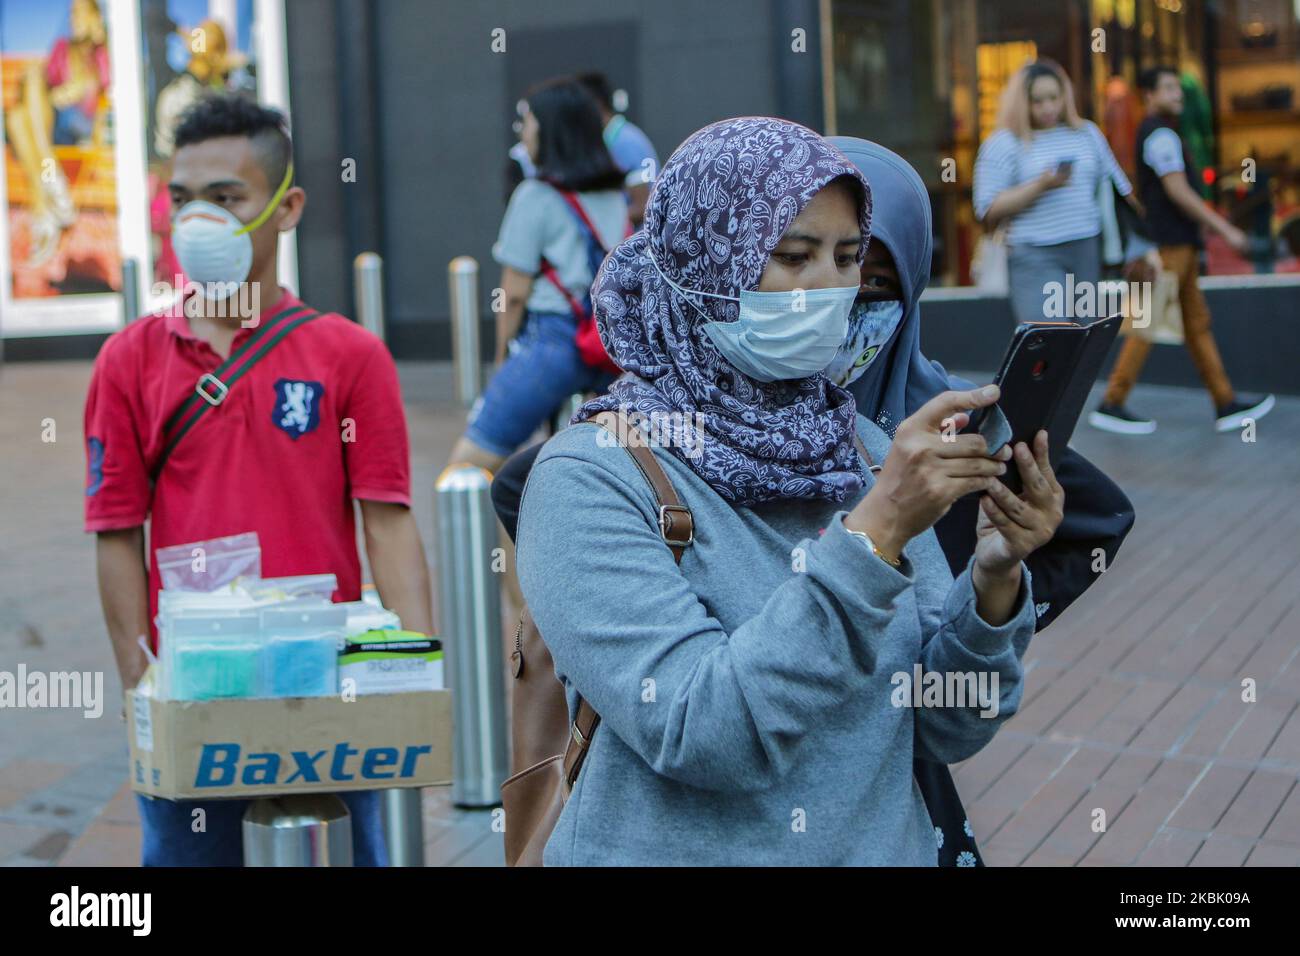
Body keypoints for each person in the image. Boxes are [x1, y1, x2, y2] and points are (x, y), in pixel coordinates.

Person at [492, 135, 1134, 865]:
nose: (831, 286)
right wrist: (875, 535)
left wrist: (992, 582)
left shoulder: (856, 445)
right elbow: (704, 735)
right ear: (703, 266)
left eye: (848, 256)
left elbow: (942, 729)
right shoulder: (591, 474)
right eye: (794, 257)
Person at [83, 95, 433, 866]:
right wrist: (142, 688)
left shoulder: (348, 356)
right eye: (181, 199)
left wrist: (413, 682)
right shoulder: (130, 361)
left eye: (225, 197)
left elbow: (389, 522)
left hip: (322, 691)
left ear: (286, 208)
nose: (196, 220)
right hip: (193, 690)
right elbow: (115, 532)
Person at [449, 77, 629, 474]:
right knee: (593, 469)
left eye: (526, 122)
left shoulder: (534, 196)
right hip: (608, 349)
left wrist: (502, 362)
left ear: (551, 130)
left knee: (470, 463)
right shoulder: (613, 196)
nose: (522, 132)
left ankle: (496, 539)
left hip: (550, 344)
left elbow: (513, 293)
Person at [1090, 66, 1275, 435]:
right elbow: (1177, 191)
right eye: (1169, 88)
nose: (1178, 94)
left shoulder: (1163, 133)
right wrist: (1225, 230)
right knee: (1146, 322)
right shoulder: (1161, 136)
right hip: (1167, 247)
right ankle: (1112, 401)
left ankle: (1224, 401)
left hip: (1176, 246)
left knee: (1195, 324)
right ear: (1149, 94)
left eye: (1178, 87)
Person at [974, 59, 1142, 324]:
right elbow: (986, 207)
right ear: (1022, 102)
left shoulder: (1087, 133)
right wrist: (1040, 185)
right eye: (1037, 101)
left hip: (1085, 246)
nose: (1048, 108)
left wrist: (1143, 245)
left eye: (1054, 98)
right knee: (1048, 337)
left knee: (1085, 335)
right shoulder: (1004, 143)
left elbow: (1118, 187)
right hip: (1033, 253)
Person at [4, 0, 110, 266]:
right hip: (56, 123)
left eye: (80, 14)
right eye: (72, 14)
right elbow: (46, 95)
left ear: (95, 17)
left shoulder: (103, 50)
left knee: (19, 116)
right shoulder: (63, 49)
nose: (74, 19)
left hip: (79, 122)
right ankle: (50, 185)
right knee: (18, 113)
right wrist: (61, 94)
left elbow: (107, 88)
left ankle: (44, 208)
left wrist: (85, 82)